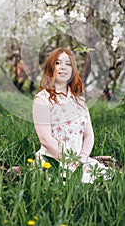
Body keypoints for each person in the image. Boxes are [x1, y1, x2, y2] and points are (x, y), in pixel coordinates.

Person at [33, 47, 112, 183]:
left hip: (79, 160)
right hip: (54, 161)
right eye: (58, 63)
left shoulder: (79, 99)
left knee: (102, 179)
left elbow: (88, 135)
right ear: (50, 67)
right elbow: (45, 139)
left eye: (68, 64)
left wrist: (82, 157)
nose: (63, 67)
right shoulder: (42, 99)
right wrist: (68, 160)